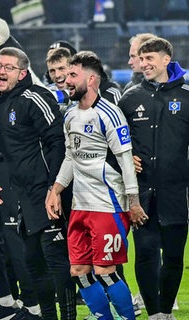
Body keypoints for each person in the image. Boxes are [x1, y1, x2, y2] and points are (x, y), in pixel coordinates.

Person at [46, 51, 148, 320]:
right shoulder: (69, 116)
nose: (65, 80)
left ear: (91, 79)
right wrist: (56, 190)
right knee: (78, 271)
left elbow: (126, 160)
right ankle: (104, 317)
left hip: (108, 204)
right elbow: (71, 156)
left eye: (72, 75)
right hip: (80, 205)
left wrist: (133, 202)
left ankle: (127, 317)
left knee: (105, 270)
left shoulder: (109, 114)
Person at [0, 47, 74, 320]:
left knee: (56, 260)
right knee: (33, 261)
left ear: (22, 73)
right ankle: (44, 315)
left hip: (45, 192)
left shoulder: (36, 97)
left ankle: (67, 316)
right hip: (18, 194)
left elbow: (57, 143)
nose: (1, 71)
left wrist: (54, 188)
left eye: (8, 67)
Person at [118, 37, 189, 320]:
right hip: (142, 193)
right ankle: (155, 313)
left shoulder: (186, 96)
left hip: (177, 193)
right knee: (146, 252)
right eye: (141, 59)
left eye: (150, 59)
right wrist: (123, 158)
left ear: (165, 60)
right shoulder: (130, 97)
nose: (144, 64)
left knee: (173, 256)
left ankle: (167, 310)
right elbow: (113, 142)